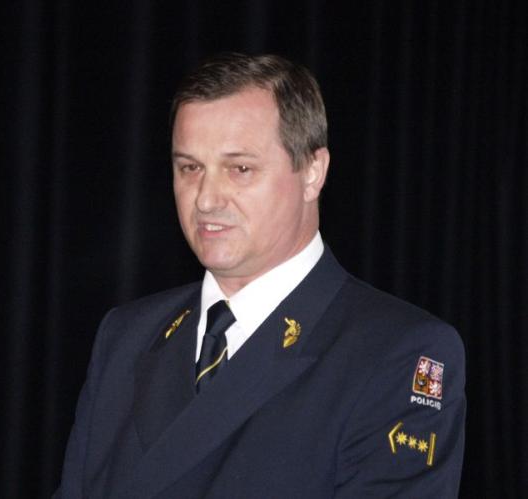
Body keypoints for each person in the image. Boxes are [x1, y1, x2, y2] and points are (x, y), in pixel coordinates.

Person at [54, 53, 465, 498]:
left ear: (313, 172)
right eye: (190, 168)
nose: (206, 199)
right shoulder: (127, 337)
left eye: (240, 169)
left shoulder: (396, 352)